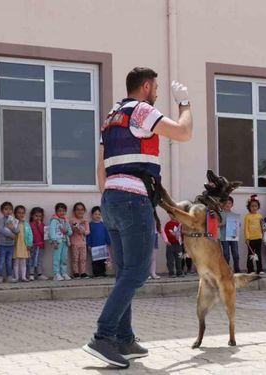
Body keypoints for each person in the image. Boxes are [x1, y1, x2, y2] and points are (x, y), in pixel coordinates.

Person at [83, 67, 193, 368]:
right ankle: (103, 337)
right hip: (133, 199)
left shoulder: (112, 115)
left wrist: (108, 197)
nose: (157, 92)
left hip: (111, 199)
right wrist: (185, 105)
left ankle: (124, 339)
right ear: (145, 86)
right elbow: (184, 132)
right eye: (155, 87)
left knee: (124, 273)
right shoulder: (142, 111)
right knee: (138, 272)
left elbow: (101, 166)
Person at [49, 202, 72, 281]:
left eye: (63, 211)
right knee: (57, 258)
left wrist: (66, 231)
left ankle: (64, 273)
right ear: (56, 212)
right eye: (59, 211)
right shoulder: (54, 221)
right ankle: (56, 274)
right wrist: (54, 241)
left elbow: (70, 232)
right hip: (58, 242)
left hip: (65, 241)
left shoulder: (66, 221)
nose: (61, 212)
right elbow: (51, 231)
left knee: (64, 258)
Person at [218, 196, 241, 273]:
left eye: (229, 203)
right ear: (222, 204)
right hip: (224, 237)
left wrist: (238, 224)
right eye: (226, 203)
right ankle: (226, 270)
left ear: (232, 204)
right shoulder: (220, 214)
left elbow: (238, 225)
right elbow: (217, 225)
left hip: (233, 237)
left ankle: (237, 269)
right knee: (226, 255)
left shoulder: (234, 214)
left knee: (236, 254)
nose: (227, 204)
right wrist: (224, 223)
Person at [88, 206, 111, 278]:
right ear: (92, 215)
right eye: (95, 214)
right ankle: (96, 273)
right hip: (94, 246)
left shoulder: (104, 225)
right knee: (95, 261)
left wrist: (109, 243)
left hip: (103, 246)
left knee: (103, 260)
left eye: (99, 214)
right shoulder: (90, 225)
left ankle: (103, 272)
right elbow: (89, 235)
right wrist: (89, 245)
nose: (97, 216)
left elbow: (107, 234)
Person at [0, 201, 16, 283]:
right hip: (2, 245)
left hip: (11, 245)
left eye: (10, 209)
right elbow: (1, 230)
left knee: (9, 261)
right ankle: (0, 276)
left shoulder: (13, 220)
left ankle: (9, 276)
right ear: (2, 211)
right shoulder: (1, 220)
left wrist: (12, 228)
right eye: (6, 209)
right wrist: (11, 235)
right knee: (1, 261)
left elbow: (17, 230)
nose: (8, 211)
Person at [244, 194, 264, 275]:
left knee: (258, 254)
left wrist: (263, 234)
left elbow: (262, 226)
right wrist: (247, 238)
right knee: (250, 254)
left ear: (258, 207)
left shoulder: (260, 216)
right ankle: (250, 269)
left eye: (256, 206)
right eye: (252, 206)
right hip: (251, 239)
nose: (254, 208)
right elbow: (246, 228)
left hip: (258, 237)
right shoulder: (247, 217)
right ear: (249, 207)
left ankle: (260, 269)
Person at [12, 205, 33, 282]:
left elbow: (30, 234)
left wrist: (29, 244)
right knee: (16, 261)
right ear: (15, 214)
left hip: (24, 245)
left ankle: (23, 277)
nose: (21, 214)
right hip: (16, 245)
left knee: (23, 261)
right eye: (19, 213)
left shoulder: (26, 224)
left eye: (23, 213)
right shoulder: (13, 223)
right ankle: (16, 277)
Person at [71, 202, 91, 279]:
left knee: (83, 259)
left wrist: (83, 232)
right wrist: (80, 227)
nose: (80, 211)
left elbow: (88, 231)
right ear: (74, 211)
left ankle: (83, 272)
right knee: (75, 259)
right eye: (78, 209)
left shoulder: (85, 221)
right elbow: (76, 229)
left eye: (82, 209)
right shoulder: (73, 220)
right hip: (74, 243)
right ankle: (75, 273)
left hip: (83, 243)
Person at [28, 207, 48, 281]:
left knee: (39, 260)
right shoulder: (30, 225)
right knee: (31, 260)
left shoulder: (43, 225)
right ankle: (31, 274)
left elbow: (44, 235)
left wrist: (40, 226)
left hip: (41, 246)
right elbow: (28, 235)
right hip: (33, 246)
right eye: (36, 216)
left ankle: (40, 274)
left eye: (40, 216)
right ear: (32, 216)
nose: (38, 218)